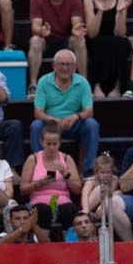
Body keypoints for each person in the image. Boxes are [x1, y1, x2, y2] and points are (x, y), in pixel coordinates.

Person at [30, 49, 99, 177]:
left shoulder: (82, 82)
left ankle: (88, 171)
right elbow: (38, 113)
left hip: (74, 125)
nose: (65, 68)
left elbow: (89, 111)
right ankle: (39, 166)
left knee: (91, 124)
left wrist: (76, 116)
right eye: (61, 64)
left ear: (75, 67)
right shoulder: (44, 81)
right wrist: (53, 120)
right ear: (54, 66)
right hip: (51, 125)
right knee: (36, 126)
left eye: (68, 64)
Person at [28, 0, 87, 93]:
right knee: (35, 40)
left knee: (79, 40)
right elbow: (35, 27)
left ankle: (83, 83)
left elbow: (76, 24)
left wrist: (76, 30)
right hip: (46, 40)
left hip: (66, 41)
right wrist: (41, 31)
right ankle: (33, 85)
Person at [20, 121, 82, 231]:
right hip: (39, 202)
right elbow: (23, 189)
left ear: (60, 143)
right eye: (48, 144)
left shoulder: (67, 159)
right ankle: (43, 243)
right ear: (41, 142)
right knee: (43, 210)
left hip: (63, 202)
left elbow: (77, 189)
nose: (52, 147)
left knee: (69, 209)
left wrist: (65, 174)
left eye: (55, 144)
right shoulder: (32, 159)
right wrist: (37, 184)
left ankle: (69, 242)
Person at [83, 0, 132, 99]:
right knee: (99, 42)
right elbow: (92, 33)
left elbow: (120, 32)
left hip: (115, 39)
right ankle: (97, 85)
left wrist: (121, 12)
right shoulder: (89, 0)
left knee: (121, 43)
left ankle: (117, 86)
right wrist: (99, 11)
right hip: (96, 39)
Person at [80, 153, 133, 241]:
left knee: (119, 192)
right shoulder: (91, 180)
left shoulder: (114, 179)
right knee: (99, 189)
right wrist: (86, 210)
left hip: (104, 207)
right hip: (89, 206)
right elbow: (84, 194)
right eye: (102, 172)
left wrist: (103, 206)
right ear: (97, 172)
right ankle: (88, 215)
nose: (106, 175)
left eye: (109, 172)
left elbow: (110, 194)